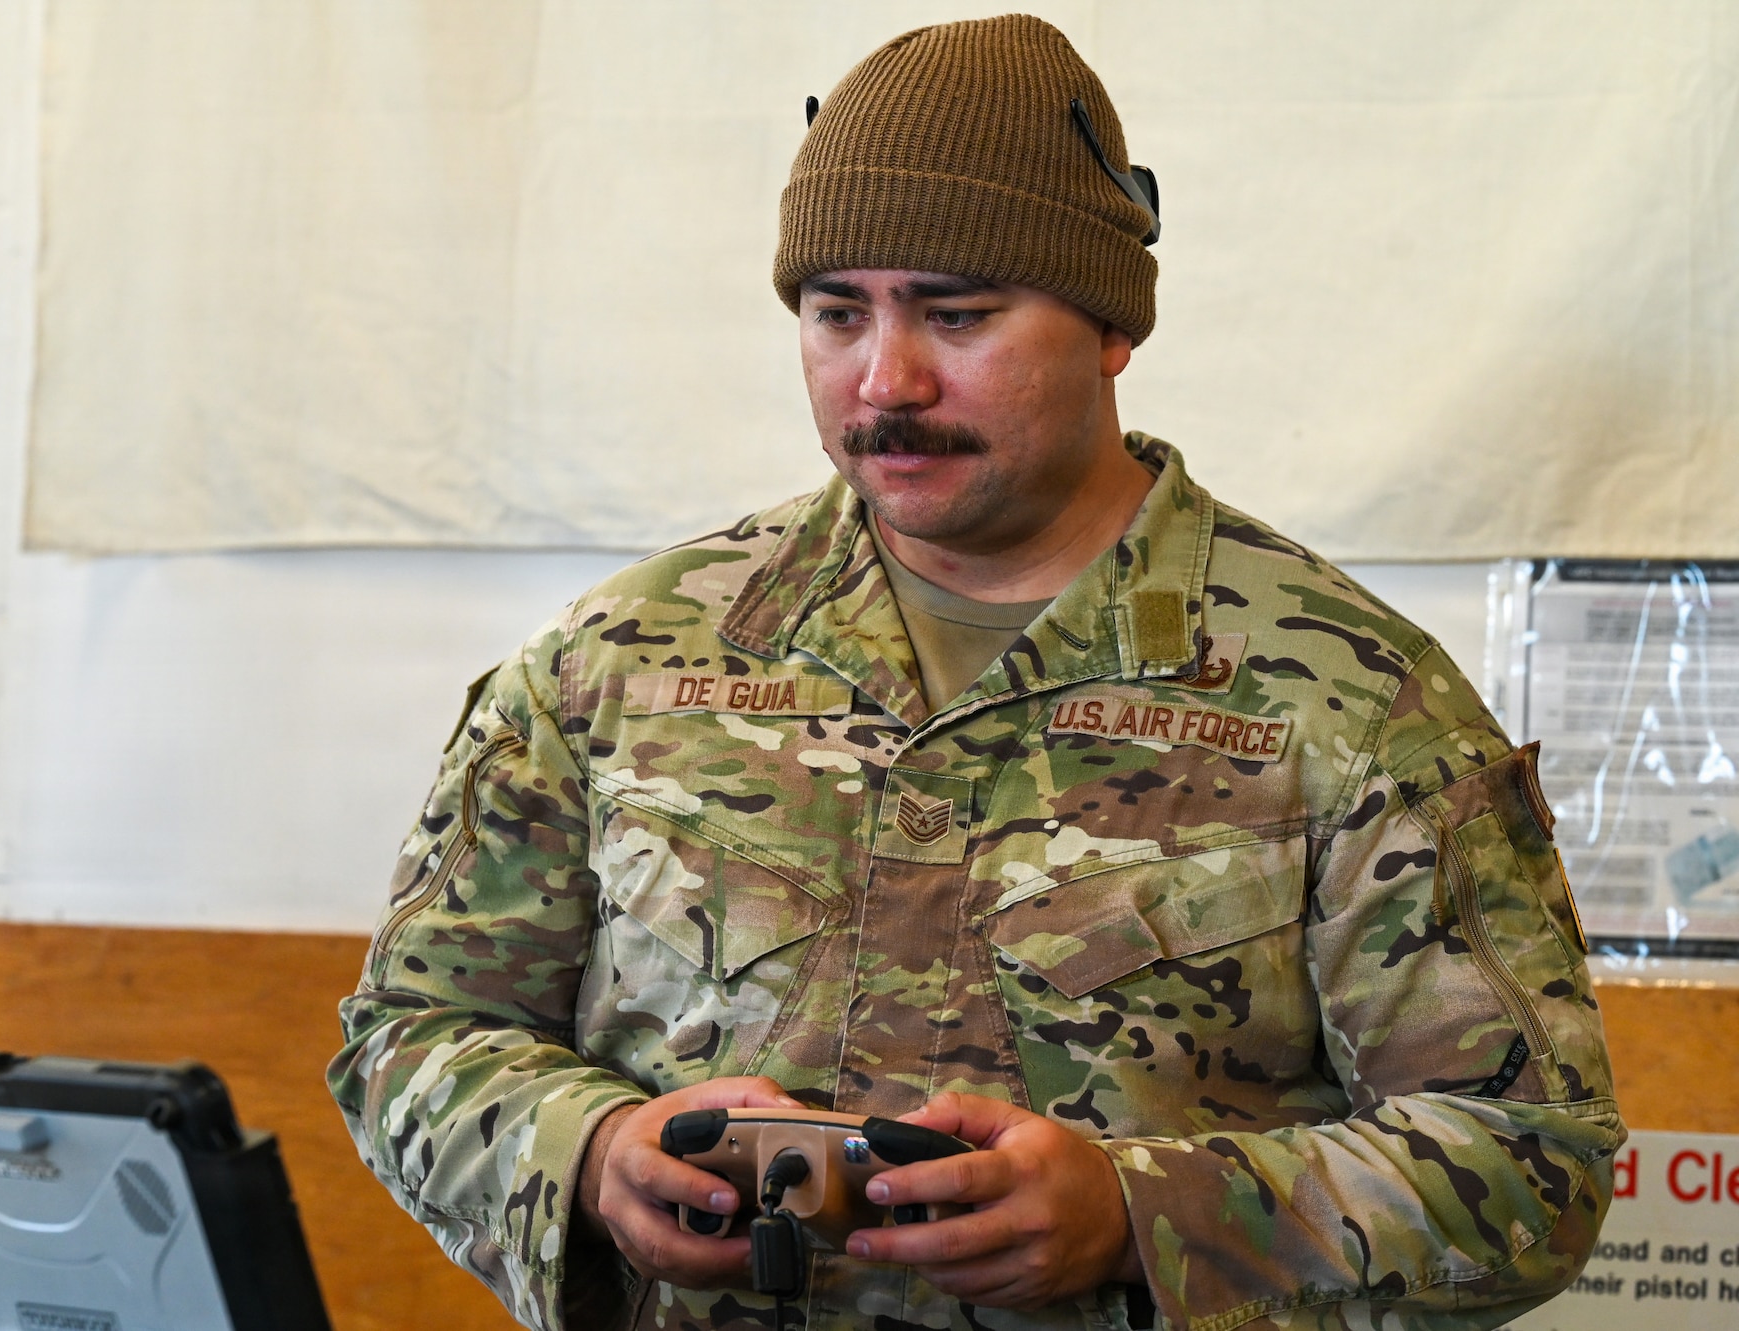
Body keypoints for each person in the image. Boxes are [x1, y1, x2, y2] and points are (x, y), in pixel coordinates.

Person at [328, 14, 1618, 1331]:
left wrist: (1140, 1219)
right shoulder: (623, 663)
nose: (886, 380)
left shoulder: (1346, 698)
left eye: (957, 314)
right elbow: (409, 1035)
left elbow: (1532, 1167)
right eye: (839, 315)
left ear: (1111, 328)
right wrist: (593, 1158)